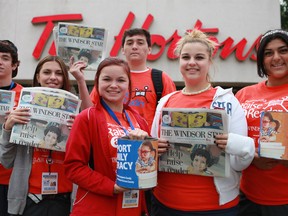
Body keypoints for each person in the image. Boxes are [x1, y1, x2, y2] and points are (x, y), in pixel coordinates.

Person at [150, 29, 255, 216]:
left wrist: (232, 143)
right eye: (185, 57)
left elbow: (241, 163)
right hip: (164, 204)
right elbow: (152, 152)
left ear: (209, 61)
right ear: (179, 61)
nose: (191, 63)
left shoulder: (228, 101)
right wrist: (155, 148)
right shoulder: (165, 102)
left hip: (215, 208)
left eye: (199, 57)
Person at [64, 57, 150, 215]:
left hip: (133, 207)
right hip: (97, 206)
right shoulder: (86, 117)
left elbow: (148, 165)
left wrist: (151, 146)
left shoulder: (139, 120)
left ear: (128, 84)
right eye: (107, 79)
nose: (114, 85)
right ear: (97, 82)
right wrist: (111, 187)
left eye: (121, 80)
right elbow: (73, 167)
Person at [0, 55, 74, 216]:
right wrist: (7, 128)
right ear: (38, 77)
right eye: (47, 72)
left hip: (65, 200)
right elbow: (6, 160)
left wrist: (80, 132)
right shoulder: (22, 110)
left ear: (65, 78)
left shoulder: (76, 114)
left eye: (59, 73)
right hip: (28, 200)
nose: (53, 77)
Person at [70, 28, 176, 127]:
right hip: (110, 140)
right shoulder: (109, 77)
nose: (134, 47)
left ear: (149, 49)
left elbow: (171, 118)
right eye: (129, 43)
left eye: (140, 43)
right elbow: (89, 111)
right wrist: (80, 80)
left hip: (146, 143)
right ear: (123, 50)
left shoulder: (161, 79)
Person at [236, 29, 288, 216]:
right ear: (261, 60)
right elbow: (233, 141)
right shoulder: (243, 94)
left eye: (283, 50)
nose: (276, 58)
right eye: (268, 53)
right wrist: (251, 158)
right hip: (247, 198)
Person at [0, 40, 22, 216]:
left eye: (5, 58)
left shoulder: (26, 96)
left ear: (14, 64)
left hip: (11, 178)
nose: (0, 62)